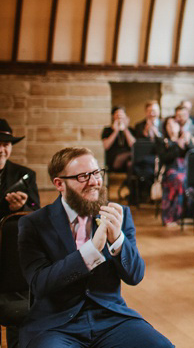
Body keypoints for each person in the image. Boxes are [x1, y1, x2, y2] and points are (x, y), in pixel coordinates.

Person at [17, 146, 173, 348]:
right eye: (83, 176)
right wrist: (91, 250)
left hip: (110, 318)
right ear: (59, 184)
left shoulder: (119, 214)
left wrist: (117, 240)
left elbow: (135, 276)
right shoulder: (34, 224)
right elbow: (40, 285)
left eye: (96, 173)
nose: (94, 182)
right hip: (56, 323)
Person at [158, 116, 194, 226]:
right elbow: (165, 158)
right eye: (169, 125)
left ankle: (190, 216)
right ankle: (173, 216)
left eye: (174, 125)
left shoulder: (185, 138)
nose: (172, 128)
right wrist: (176, 145)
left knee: (192, 180)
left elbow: (192, 154)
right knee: (179, 180)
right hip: (170, 171)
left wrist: (187, 142)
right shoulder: (163, 141)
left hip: (185, 170)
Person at [1, 119, 40, 219]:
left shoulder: (26, 174)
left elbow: (35, 208)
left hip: (10, 232)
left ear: (11, 147)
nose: (1, 150)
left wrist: (21, 207)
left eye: (5, 145)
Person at [100, 107, 136, 173]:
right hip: (114, 160)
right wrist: (115, 131)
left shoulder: (130, 130)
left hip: (128, 160)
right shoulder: (107, 130)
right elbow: (106, 146)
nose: (120, 118)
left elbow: (133, 145)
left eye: (122, 115)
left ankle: (128, 183)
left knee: (130, 163)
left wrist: (125, 129)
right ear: (113, 117)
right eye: (117, 115)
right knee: (134, 155)